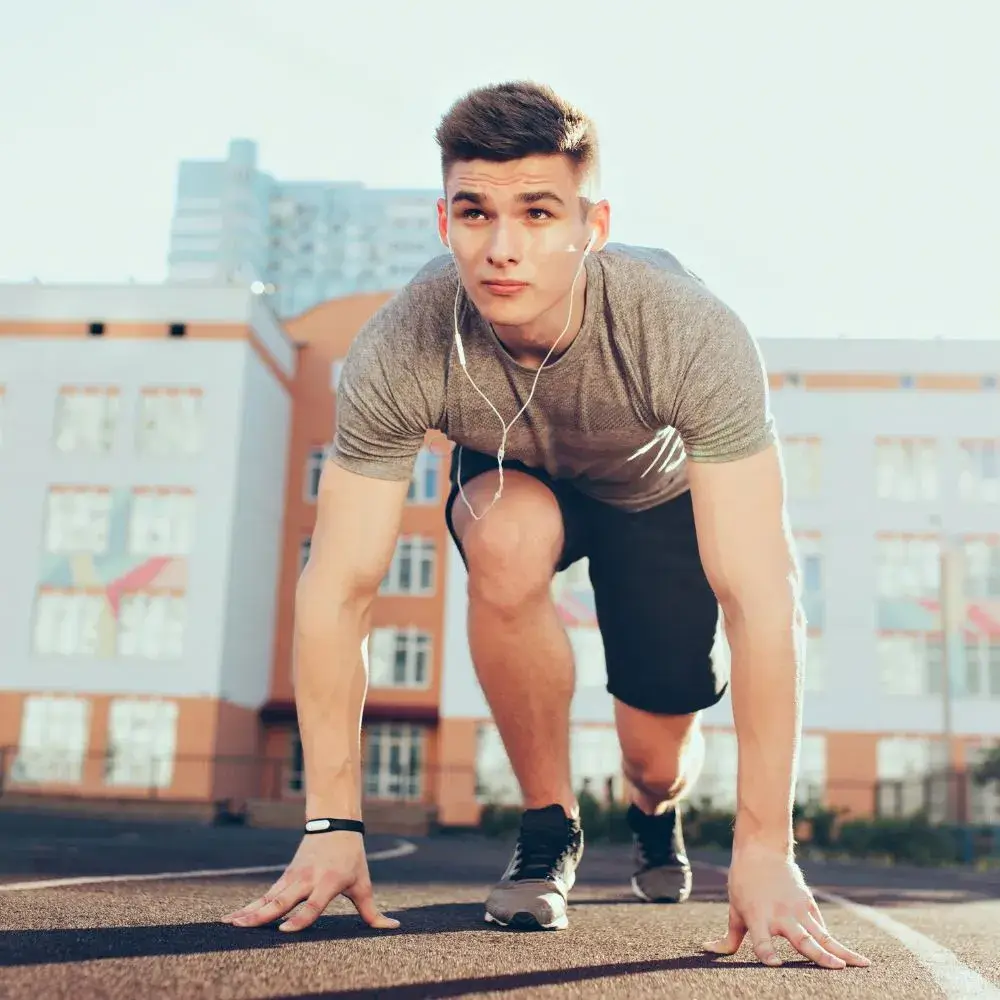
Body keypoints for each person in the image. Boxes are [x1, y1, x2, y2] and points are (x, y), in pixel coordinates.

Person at [222, 80, 871, 972]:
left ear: (591, 225)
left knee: (656, 759)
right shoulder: (401, 345)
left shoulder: (685, 328)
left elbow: (763, 595)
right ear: (442, 221)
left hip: (655, 500)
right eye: (474, 212)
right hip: (515, 480)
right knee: (502, 538)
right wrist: (332, 824)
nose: (501, 247)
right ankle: (547, 825)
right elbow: (339, 587)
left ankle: (652, 814)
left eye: (537, 212)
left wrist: (765, 847)